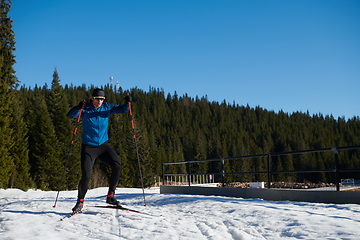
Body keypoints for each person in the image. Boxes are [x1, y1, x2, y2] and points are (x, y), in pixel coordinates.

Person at [67, 88, 132, 213]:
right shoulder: (85, 108)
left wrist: (128, 103)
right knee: (86, 175)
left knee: (117, 165)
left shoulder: (107, 107)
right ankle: (80, 202)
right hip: (88, 147)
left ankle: (110, 196)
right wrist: (78, 107)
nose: (100, 101)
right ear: (92, 98)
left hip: (103, 146)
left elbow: (122, 109)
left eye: (102, 99)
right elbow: (70, 115)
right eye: (98, 99)